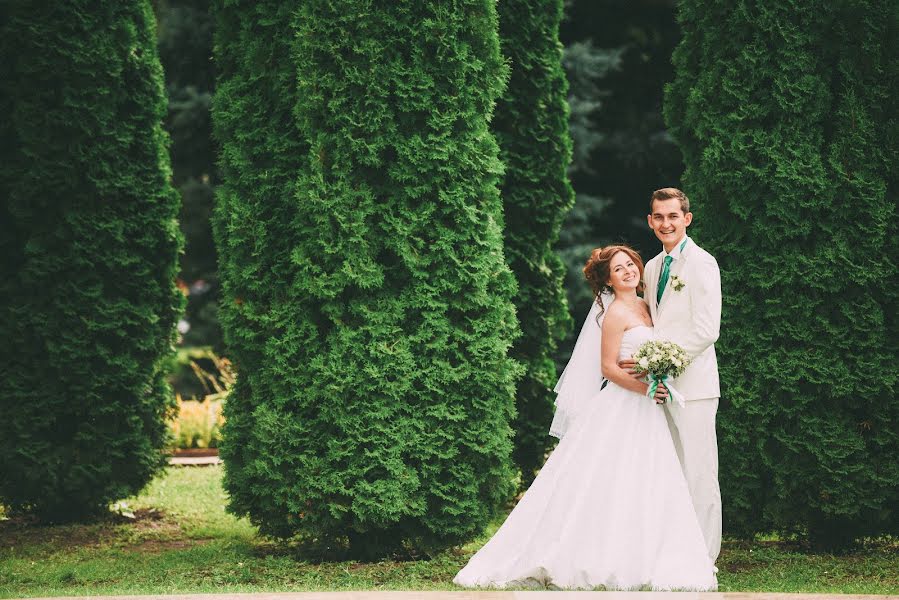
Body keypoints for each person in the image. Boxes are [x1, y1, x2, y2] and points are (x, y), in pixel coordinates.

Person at [453, 245, 716, 591]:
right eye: (618, 269)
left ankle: (647, 553)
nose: (627, 271)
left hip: (649, 410)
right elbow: (608, 367)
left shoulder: (647, 305)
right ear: (607, 279)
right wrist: (645, 388)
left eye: (630, 265)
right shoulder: (616, 313)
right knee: (608, 481)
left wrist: (655, 375)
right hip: (624, 405)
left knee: (646, 481)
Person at [620, 187, 722, 567]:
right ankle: (675, 553)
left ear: (687, 219)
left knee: (699, 474)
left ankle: (704, 557)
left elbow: (707, 329)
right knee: (671, 473)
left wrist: (664, 364)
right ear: (650, 221)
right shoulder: (651, 267)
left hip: (693, 388)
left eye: (673, 216)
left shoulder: (702, 263)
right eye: (659, 217)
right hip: (659, 389)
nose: (666, 223)